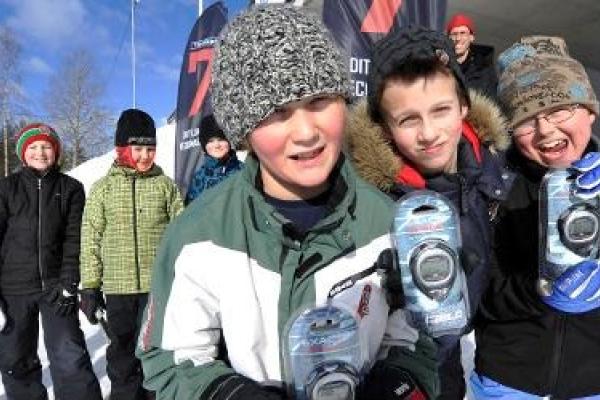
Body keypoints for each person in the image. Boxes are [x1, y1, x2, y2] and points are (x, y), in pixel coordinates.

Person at [136, 6, 439, 400]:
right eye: (277, 112)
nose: (306, 132)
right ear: (244, 129)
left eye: (319, 101)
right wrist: (226, 393)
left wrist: (398, 382)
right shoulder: (198, 234)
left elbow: (418, 342)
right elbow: (170, 357)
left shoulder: (389, 223)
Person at [346, 25, 513, 400]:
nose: (429, 133)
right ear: (384, 128)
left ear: (464, 106)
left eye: (441, 110)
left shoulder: (493, 174)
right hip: (393, 376)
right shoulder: (370, 202)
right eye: (408, 119)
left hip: (453, 368)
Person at [471, 36, 600, 399]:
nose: (546, 130)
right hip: (508, 383)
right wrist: (541, 288)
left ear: (590, 111)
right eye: (526, 119)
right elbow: (479, 296)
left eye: (559, 110)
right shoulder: (493, 187)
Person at [79, 109, 184, 400]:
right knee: (122, 354)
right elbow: (90, 238)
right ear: (122, 149)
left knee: (156, 351)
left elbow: (181, 233)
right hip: (118, 290)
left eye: (150, 149)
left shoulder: (165, 186)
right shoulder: (103, 189)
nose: (145, 156)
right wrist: (90, 286)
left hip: (156, 287)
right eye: (138, 149)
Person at [0, 123, 102, 400]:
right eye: (33, 147)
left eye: (46, 146)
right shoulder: (6, 188)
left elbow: (74, 238)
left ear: (56, 151)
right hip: (13, 288)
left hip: (57, 287)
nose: (40, 152)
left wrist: (69, 281)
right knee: (15, 358)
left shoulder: (71, 188)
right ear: (23, 153)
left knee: (69, 355)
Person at [185, 114, 243, 204]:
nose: (216, 145)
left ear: (229, 140)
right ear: (204, 145)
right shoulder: (199, 178)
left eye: (221, 139)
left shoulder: (244, 170)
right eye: (210, 141)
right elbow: (192, 208)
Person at [446, 13, 498, 100]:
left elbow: (493, 102)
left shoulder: (485, 70)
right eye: (454, 34)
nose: (458, 38)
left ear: (471, 37)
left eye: (463, 33)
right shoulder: (440, 68)